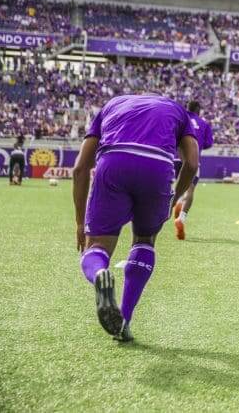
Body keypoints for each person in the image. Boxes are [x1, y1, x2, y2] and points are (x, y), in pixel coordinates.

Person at [72, 94, 199, 342]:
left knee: (96, 247)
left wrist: (79, 222)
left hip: (114, 161)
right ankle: (124, 321)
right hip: (157, 165)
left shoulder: (112, 104)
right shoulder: (177, 110)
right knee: (144, 240)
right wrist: (173, 198)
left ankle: (99, 273)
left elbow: (79, 169)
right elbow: (192, 164)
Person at [173, 101, 214, 240]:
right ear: (198, 110)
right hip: (192, 159)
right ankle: (181, 217)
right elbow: (209, 143)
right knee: (190, 190)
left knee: (177, 185)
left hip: (175, 158)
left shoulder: (180, 118)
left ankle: (176, 202)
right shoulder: (203, 123)